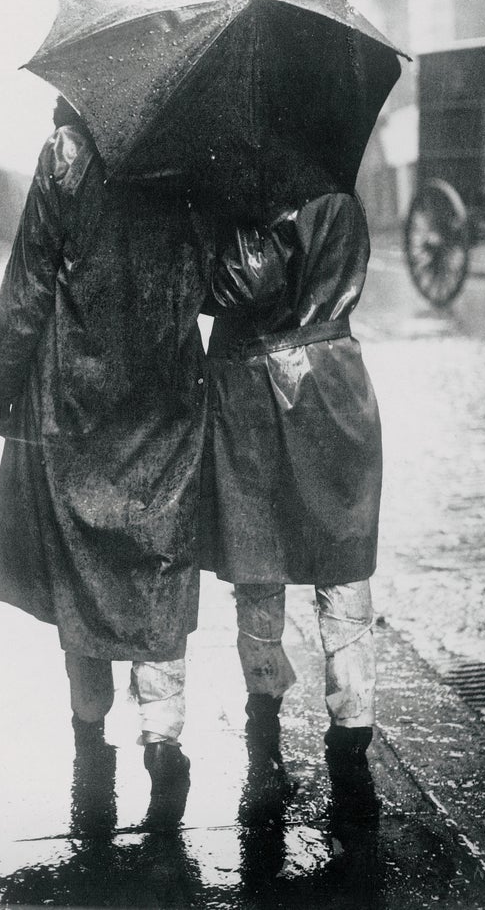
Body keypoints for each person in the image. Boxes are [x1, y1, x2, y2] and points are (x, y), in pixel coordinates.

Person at [0, 96, 211, 820]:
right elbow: (216, 276)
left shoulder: (65, 156)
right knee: (159, 559)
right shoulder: (190, 161)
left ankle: (89, 729)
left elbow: (30, 281)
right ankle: (163, 739)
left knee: (84, 563)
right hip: (166, 391)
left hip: (77, 398)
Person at [201, 187, 382, 785]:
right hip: (335, 377)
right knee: (343, 556)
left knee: (258, 564)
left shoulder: (251, 199)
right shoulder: (342, 197)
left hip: (254, 382)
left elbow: (241, 287)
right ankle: (353, 730)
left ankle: (264, 725)